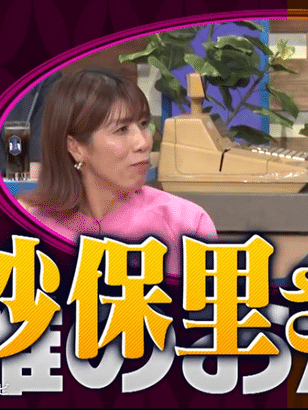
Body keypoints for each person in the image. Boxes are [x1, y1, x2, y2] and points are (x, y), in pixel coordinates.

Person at [20, 68, 217, 276]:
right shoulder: (29, 229)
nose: (143, 143)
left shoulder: (186, 223)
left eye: (143, 124)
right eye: (121, 130)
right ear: (76, 147)